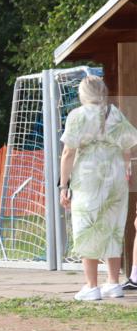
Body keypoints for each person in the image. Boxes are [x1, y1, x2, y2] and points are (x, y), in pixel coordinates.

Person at [59, 75, 137, 300]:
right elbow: (128, 147)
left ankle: (91, 286)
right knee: (113, 226)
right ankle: (113, 283)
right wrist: (125, 168)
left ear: (83, 94)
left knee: (87, 226)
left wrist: (63, 186)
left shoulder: (77, 116)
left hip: (88, 177)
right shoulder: (115, 113)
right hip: (115, 177)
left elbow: (68, 152)